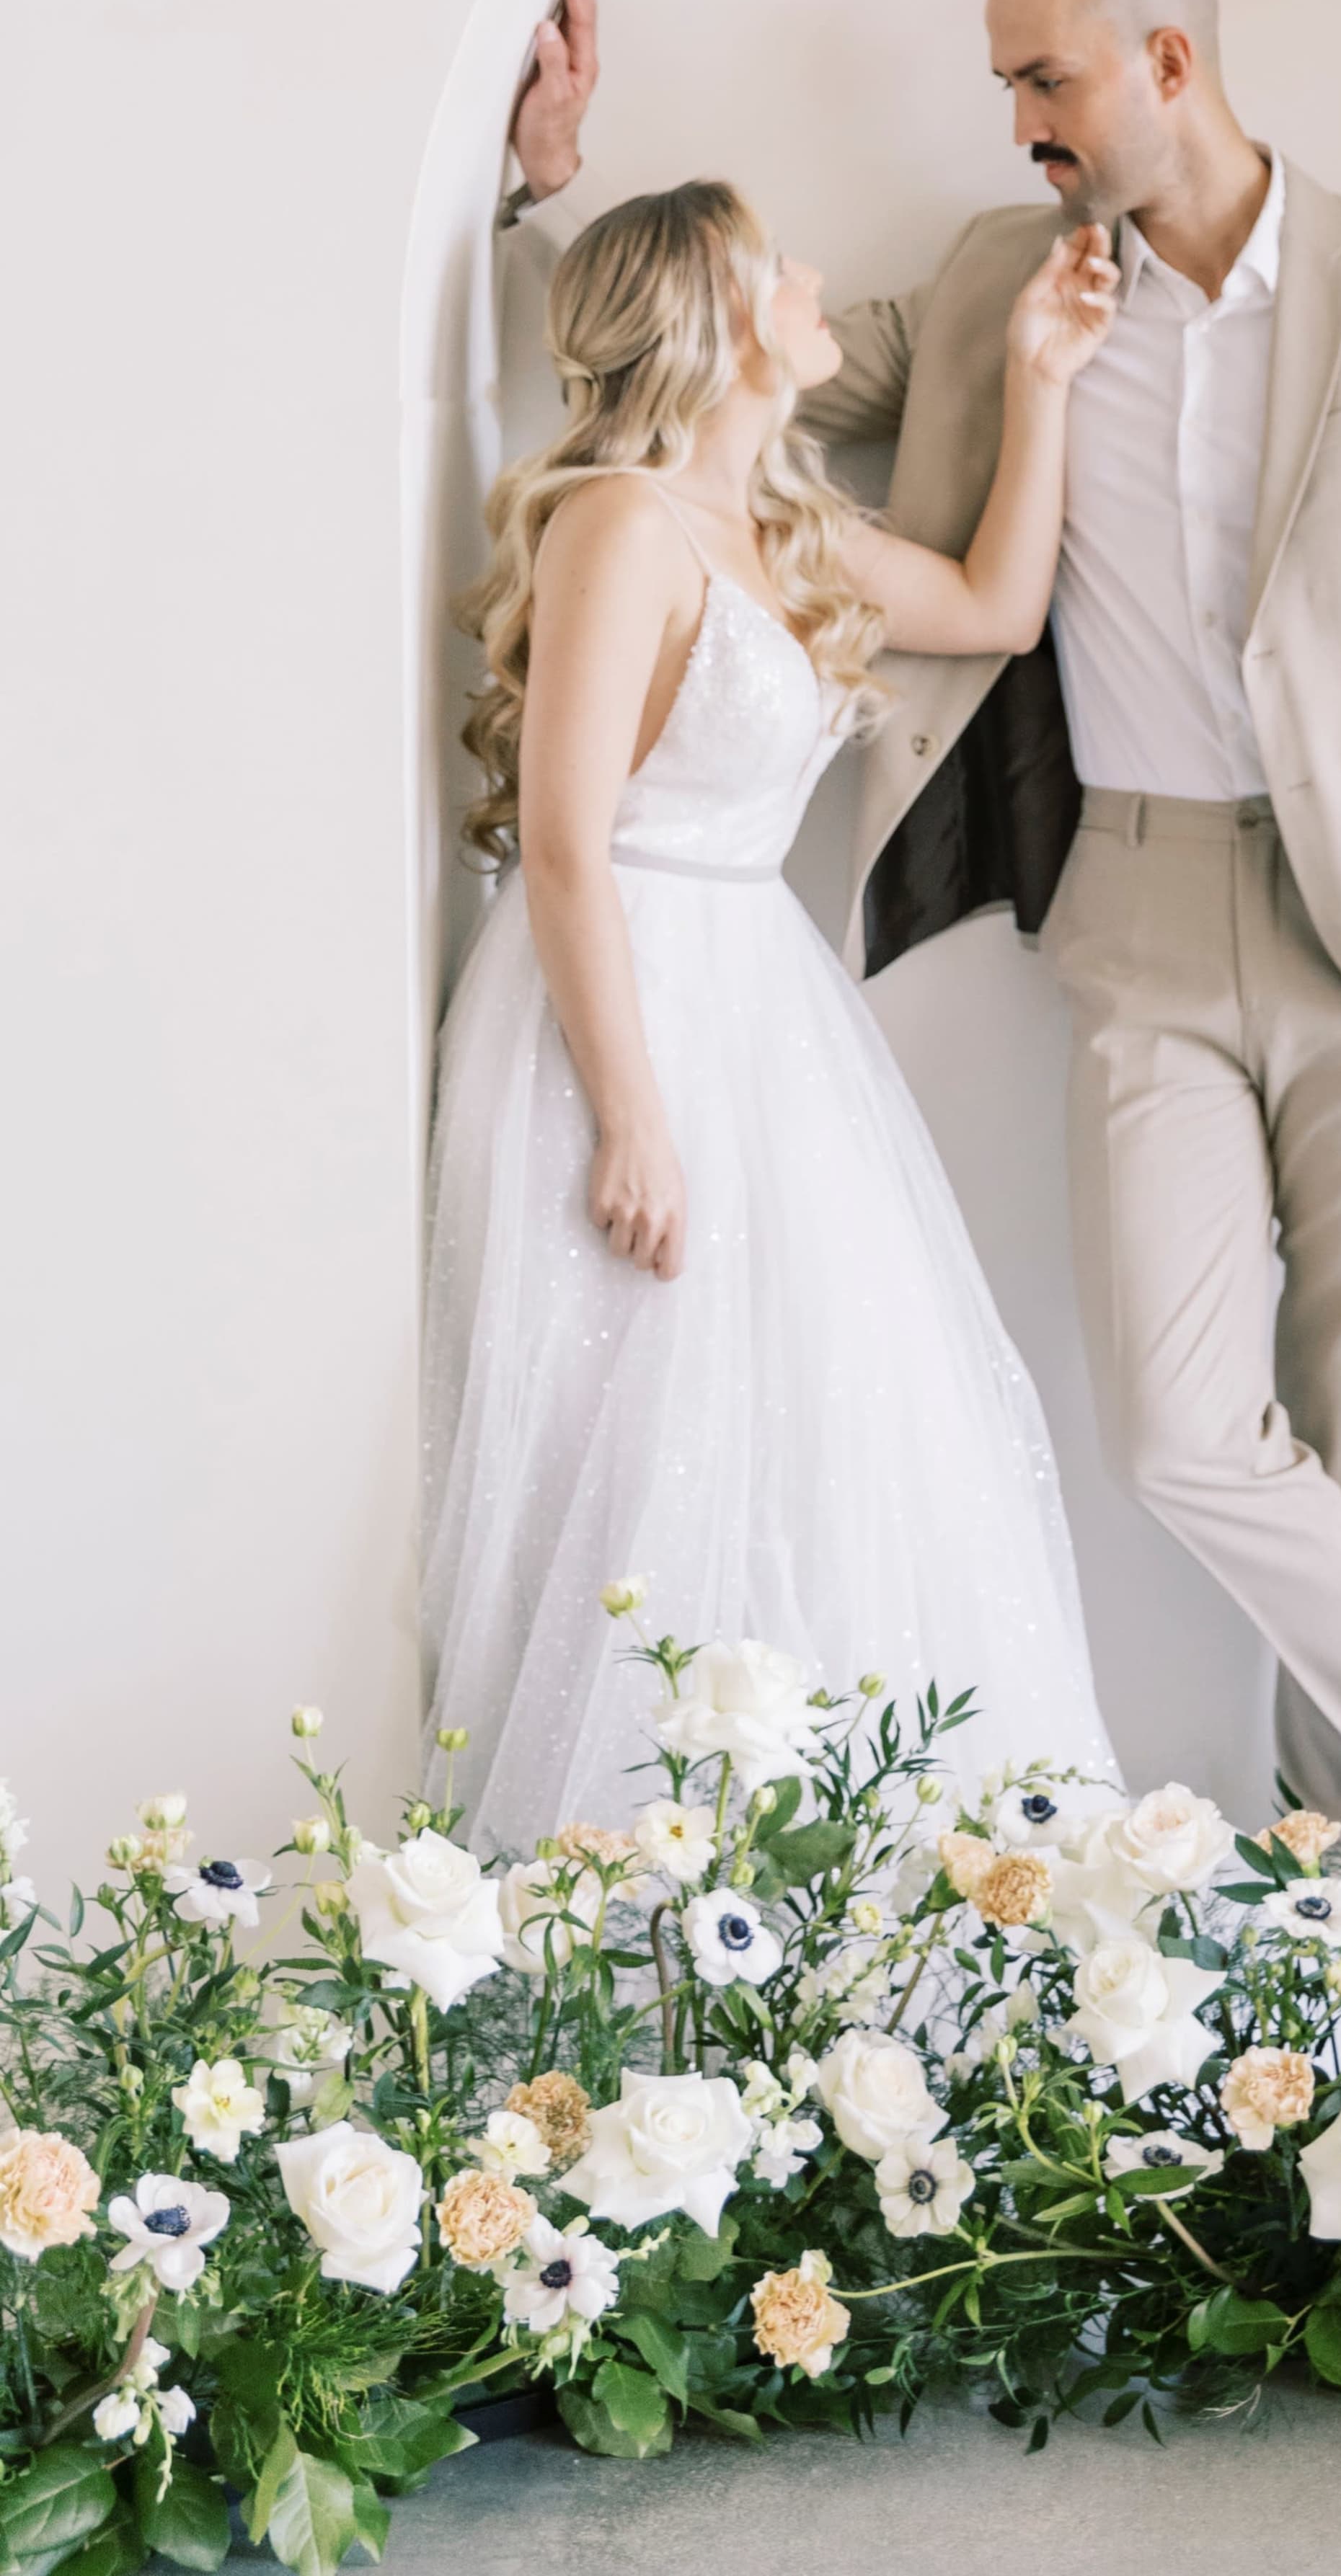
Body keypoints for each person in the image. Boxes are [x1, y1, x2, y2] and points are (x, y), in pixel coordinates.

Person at [510, 0, 1341, 1889]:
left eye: (1045, 78)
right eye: (1007, 85)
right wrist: (551, 206)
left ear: (1167, 67)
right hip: (1136, 912)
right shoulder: (999, 281)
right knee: (1186, 1433)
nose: (1018, 119)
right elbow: (702, 401)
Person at [422, 168, 1123, 1852]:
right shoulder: (618, 521)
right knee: (642, 1454)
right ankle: (618, 1886)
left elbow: (998, 606)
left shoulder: (781, 531)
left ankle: (801, 1889)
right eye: (777, 266)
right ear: (721, 317)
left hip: (764, 1014)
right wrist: (634, 1117)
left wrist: (1043, 374)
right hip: (627, 1002)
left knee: (818, 1434)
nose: (814, 279)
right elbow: (571, 838)